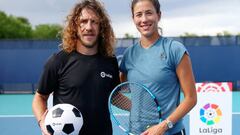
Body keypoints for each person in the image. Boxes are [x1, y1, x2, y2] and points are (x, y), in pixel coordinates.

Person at [32, 0, 120, 135]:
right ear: (75, 26)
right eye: (83, 21)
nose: (89, 27)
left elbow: (115, 97)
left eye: (94, 22)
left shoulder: (110, 61)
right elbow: (40, 97)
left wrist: (140, 107)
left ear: (101, 26)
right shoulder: (59, 60)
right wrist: (43, 123)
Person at [119, 0, 197, 135]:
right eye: (138, 14)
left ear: (158, 15)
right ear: (133, 19)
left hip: (170, 132)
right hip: (136, 132)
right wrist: (140, 111)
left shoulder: (175, 49)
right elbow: (118, 94)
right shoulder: (128, 55)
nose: (144, 19)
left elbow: (191, 98)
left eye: (149, 13)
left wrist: (164, 125)